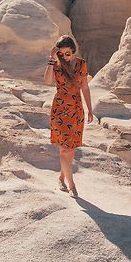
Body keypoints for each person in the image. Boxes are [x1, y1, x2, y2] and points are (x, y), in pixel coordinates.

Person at [43, 35, 93, 197]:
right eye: (61, 54)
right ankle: (72, 186)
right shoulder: (56, 65)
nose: (65, 57)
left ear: (73, 51)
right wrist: (52, 60)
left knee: (70, 151)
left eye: (68, 53)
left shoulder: (81, 64)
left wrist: (90, 109)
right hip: (60, 110)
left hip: (77, 110)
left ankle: (61, 178)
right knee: (64, 150)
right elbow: (47, 81)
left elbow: (85, 88)